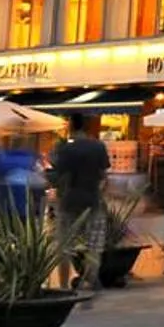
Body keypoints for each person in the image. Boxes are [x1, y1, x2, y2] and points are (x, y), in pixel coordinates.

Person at [51, 118, 112, 287]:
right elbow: (104, 176)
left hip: (69, 201)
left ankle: (64, 286)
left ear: (71, 127)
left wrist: (58, 197)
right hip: (93, 200)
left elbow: (60, 177)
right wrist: (101, 194)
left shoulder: (65, 149)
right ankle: (91, 278)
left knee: (65, 245)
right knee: (94, 244)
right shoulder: (98, 147)